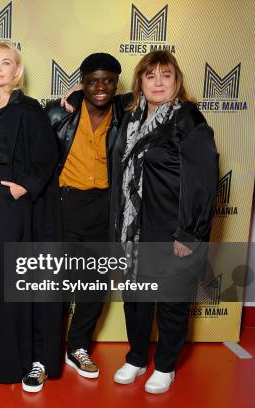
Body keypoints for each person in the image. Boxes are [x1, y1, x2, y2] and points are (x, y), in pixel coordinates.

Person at [111, 50, 218, 394]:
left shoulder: (188, 119)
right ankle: (137, 357)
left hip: (172, 227)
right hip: (135, 228)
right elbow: (97, 95)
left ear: (177, 81)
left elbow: (202, 179)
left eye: (166, 76)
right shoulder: (131, 117)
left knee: (172, 301)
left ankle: (166, 366)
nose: (158, 82)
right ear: (140, 83)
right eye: (150, 76)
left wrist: (190, 231)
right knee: (136, 299)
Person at [0, 42, 61, 393]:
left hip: (10, 207)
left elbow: (48, 156)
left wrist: (23, 187)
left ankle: (18, 361)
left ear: (17, 71)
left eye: (6, 62)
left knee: (12, 280)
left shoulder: (28, 109)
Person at [44, 53, 129, 379]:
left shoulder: (126, 113)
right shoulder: (57, 112)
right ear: (82, 83)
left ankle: (78, 347)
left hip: (104, 208)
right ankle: (49, 348)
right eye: (93, 81)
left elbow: (152, 93)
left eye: (108, 81)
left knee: (94, 286)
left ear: (116, 84)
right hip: (64, 206)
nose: (101, 88)